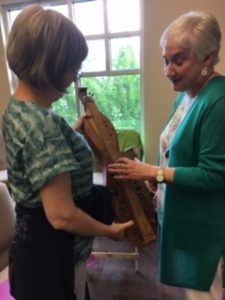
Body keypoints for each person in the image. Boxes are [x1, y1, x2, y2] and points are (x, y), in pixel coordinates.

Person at [2, 5, 134, 300]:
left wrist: (70, 132)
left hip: (31, 248)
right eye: (73, 67)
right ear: (51, 64)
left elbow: (37, 152)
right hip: (52, 255)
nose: (74, 78)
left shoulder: (17, 110)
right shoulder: (44, 127)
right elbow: (62, 216)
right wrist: (108, 230)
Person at [107, 10, 225, 300]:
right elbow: (175, 151)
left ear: (207, 58)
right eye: (165, 60)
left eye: (178, 60)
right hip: (182, 216)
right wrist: (157, 178)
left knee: (205, 293)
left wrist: (153, 172)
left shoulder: (219, 101)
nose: (168, 70)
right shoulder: (187, 95)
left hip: (205, 227)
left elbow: (215, 175)